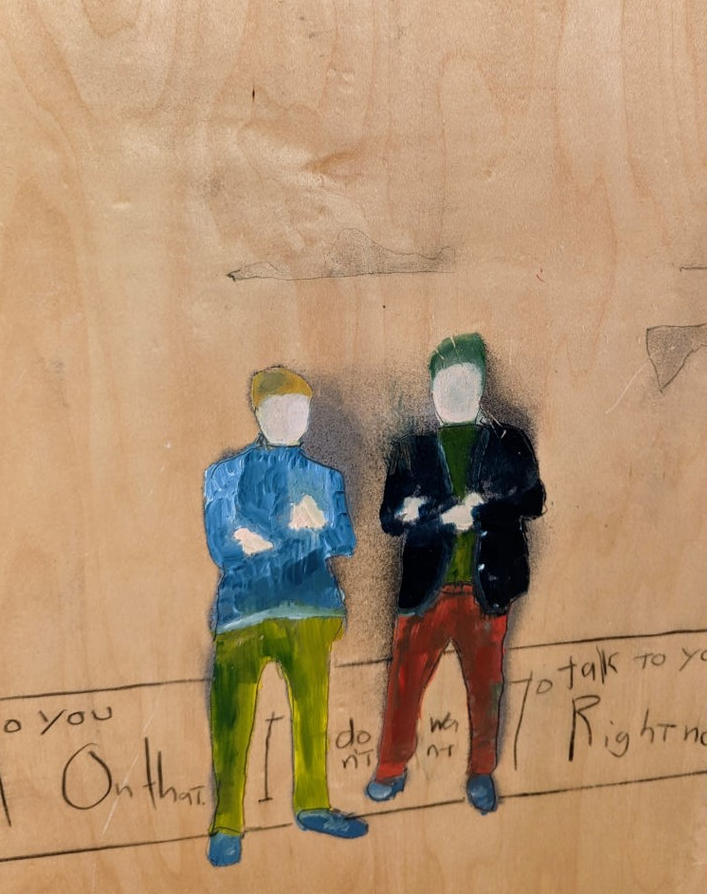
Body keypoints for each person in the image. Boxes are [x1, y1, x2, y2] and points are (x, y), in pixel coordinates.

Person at [366, 333, 545, 814]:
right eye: (446, 384)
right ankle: (390, 768)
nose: (455, 393)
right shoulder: (412, 449)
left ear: (480, 385)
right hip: (426, 590)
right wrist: (444, 517)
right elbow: (390, 518)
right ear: (432, 389)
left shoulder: (508, 442)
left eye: (465, 382)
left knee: (486, 686)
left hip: (486, 589)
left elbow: (533, 500)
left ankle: (481, 771)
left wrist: (482, 508)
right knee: (404, 683)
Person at [204, 366, 368, 867]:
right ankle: (226, 824)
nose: (292, 419)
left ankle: (313, 805)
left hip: (310, 610)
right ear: (259, 412)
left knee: (312, 714)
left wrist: (294, 535)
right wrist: (304, 536)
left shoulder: (326, 478)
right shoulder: (224, 475)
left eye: (300, 410)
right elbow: (224, 545)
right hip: (242, 615)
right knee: (231, 721)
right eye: (280, 410)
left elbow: (345, 540)